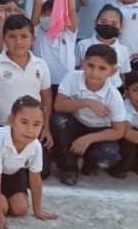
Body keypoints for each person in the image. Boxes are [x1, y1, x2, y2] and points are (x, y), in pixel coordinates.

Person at [0, 96, 57, 229]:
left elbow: (35, 179)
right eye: (24, 122)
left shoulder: (36, 146)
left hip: (13, 172)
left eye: (36, 124)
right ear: (11, 120)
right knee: (2, 208)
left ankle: (2, 200)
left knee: (20, 209)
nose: (30, 130)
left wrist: (38, 211)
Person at [52, 44, 127, 185]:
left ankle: (90, 162)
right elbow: (59, 105)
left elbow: (119, 131)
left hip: (99, 131)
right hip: (76, 124)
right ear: (82, 64)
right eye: (90, 65)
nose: (94, 72)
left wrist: (88, 139)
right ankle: (68, 167)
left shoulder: (113, 95)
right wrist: (87, 102)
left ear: (113, 71)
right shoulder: (72, 77)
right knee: (59, 121)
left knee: (108, 155)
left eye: (102, 68)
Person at [0, 14, 53, 153]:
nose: (18, 41)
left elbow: (46, 99)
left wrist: (46, 128)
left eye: (24, 36)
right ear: (4, 38)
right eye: (12, 36)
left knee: (43, 170)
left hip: (32, 128)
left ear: (33, 39)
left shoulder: (41, 65)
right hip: (3, 127)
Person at [31, 0, 78, 92]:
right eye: (46, 14)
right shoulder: (38, 30)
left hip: (65, 83)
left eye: (54, 13)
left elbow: (70, 8)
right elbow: (38, 2)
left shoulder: (69, 32)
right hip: (41, 83)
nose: (50, 17)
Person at [76, 5, 131, 89]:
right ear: (95, 22)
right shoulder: (82, 44)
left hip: (114, 90)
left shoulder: (123, 50)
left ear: (121, 27)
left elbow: (123, 74)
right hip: (84, 89)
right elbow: (76, 68)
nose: (108, 26)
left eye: (114, 24)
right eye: (104, 22)